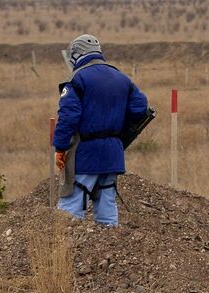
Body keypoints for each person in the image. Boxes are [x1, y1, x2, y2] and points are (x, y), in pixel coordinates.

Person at [52, 34, 148, 226]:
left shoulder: (77, 79)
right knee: (106, 210)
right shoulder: (122, 78)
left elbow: (68, 117)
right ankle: (111, 250)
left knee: (70, 209)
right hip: (113, 153)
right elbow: (140, 107)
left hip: (86, 154)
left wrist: (60, 148)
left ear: (77, 55)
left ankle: (63, 253)